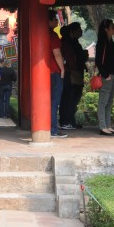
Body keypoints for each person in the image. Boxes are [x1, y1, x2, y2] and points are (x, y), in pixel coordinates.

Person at [94, 18, 114, 136]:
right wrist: (106, 75)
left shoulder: (111, 42)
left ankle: (108, 126)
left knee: (109, 102)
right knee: (103, 102)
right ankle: (103, 127)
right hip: (107, 76)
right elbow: (98, 61)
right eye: (112, 27)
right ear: (106, 29)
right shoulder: (101, 43)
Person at [59, 22, 85, 130]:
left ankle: (69, 121)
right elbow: (70, 59)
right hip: (71, 73)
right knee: (69, 98)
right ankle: (66, 121)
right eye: (78, 29)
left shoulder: (74, 42)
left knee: (72, 98)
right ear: (72, 32)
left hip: (74, 72)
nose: (81, 31)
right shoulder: (67, 43)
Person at [47, 10, 67, 138]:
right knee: (54, 102)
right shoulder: (53, 35)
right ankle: (53, 129)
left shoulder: (41, 34)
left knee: (49, 101)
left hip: (45, 72)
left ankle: (49, 127)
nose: (56, 21)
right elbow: (57, 53)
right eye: (54, 19)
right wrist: (63, 69)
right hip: (54, 71)